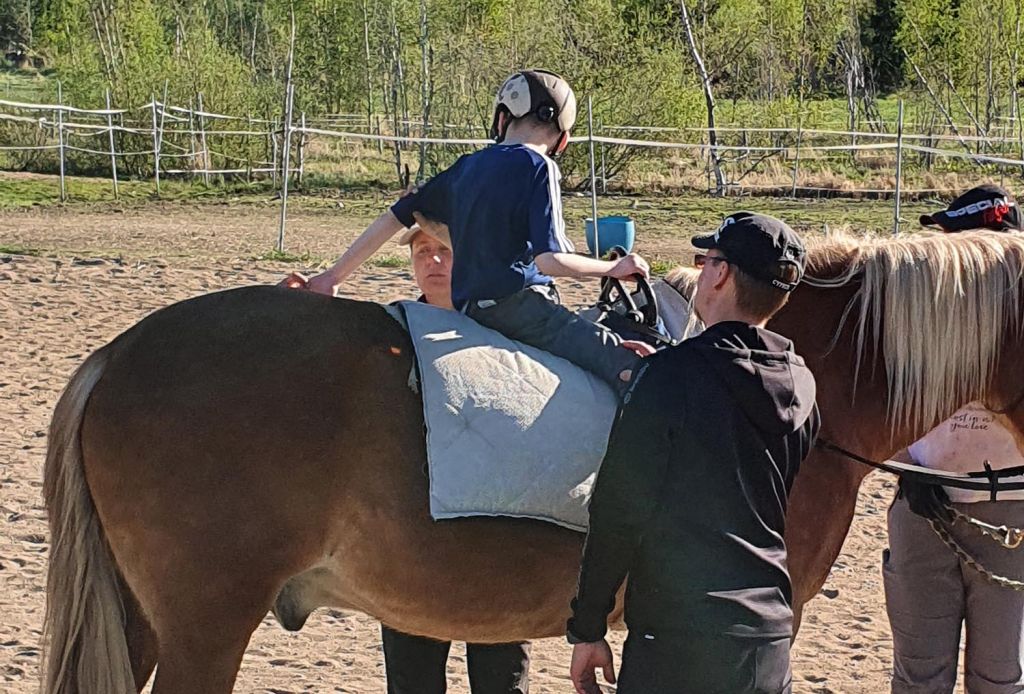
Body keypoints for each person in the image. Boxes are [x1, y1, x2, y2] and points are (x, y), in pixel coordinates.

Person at [566, 212, 820, 694]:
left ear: (721, 274)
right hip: (766, 637)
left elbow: (618, 510)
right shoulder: (804, 385)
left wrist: (589, 627)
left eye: (707, 261)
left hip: (678, 636)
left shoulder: (671, 377)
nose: (702, 270)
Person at [299, 69, 651, 393]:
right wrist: (613, 268)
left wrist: (332, 277)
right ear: (562, 141)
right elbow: (550, 261)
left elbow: (394, 217)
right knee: (622, 361)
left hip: (470, 307)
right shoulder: (539, 166)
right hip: (521, 307)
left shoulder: (466, 166)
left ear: (502, 118)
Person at [379, 220, 532, 694]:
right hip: (413, 536)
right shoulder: (391, 328)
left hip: (496, 534)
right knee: (413, 681)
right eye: (422, 251)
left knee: (501, 680)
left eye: (444, 250)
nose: (433, 261)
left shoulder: (510, 328)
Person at [884, 183, 1024, 694]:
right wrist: (905, 466)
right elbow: (886, 404)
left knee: (999, 677)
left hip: (1011, 515)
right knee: (920, 674)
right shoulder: (924, 311)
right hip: (924, 507)